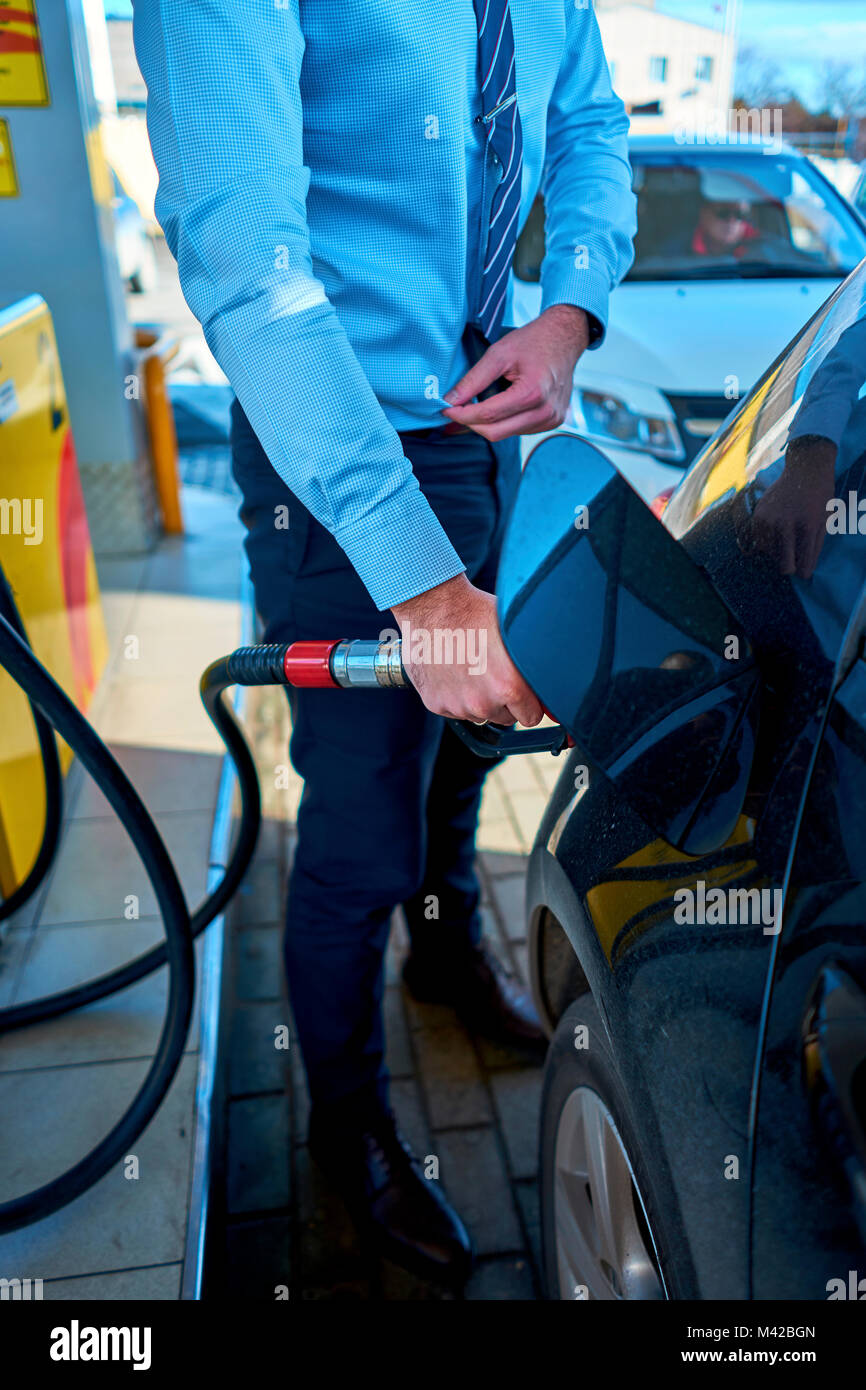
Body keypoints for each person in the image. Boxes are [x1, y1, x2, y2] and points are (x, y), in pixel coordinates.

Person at [133, 0, 636, 1285]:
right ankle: (344, 1125)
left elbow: (585, 123)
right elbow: (247, 260)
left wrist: (567, 311)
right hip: (335, 446)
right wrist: (419, 584)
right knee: (357, 828)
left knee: (473, 745)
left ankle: (446, 947)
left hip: (486, 415)